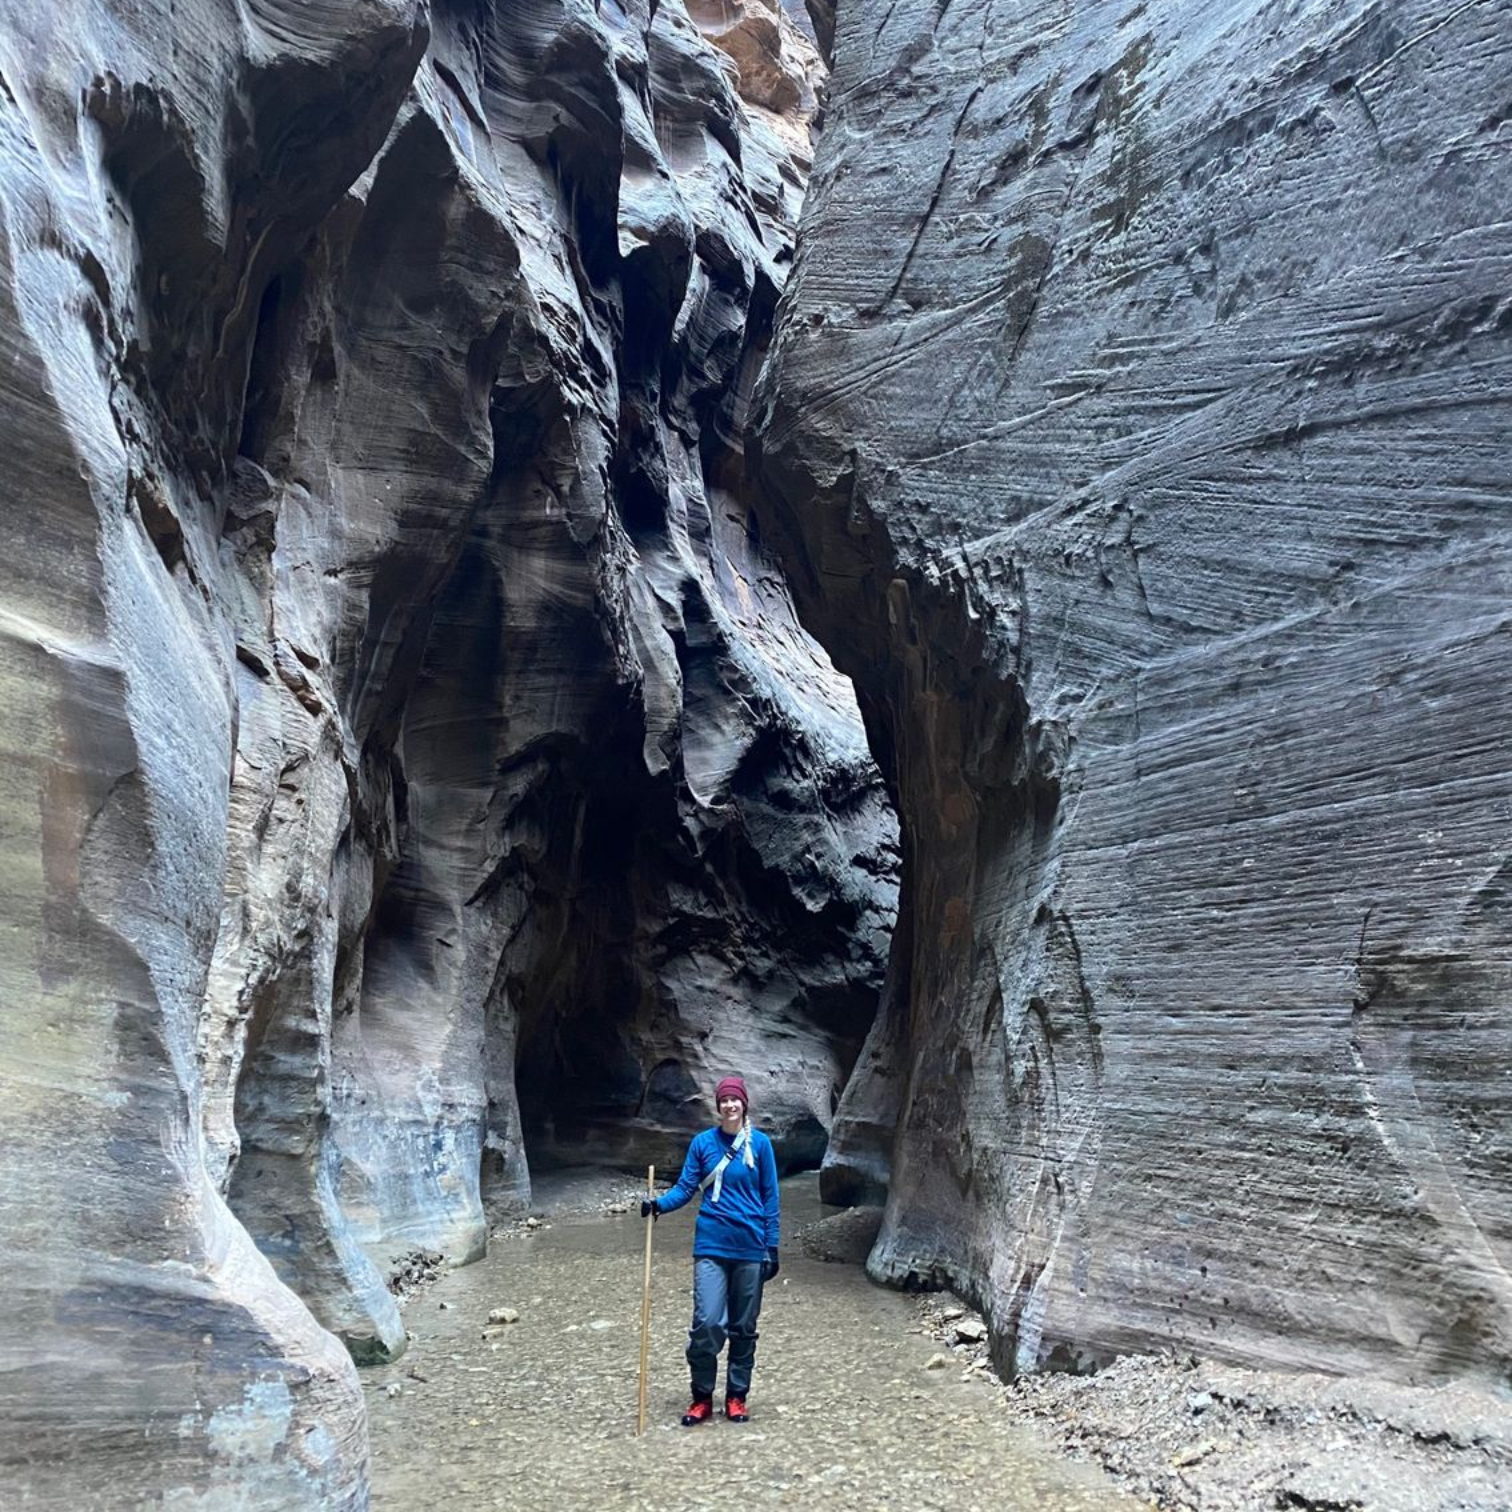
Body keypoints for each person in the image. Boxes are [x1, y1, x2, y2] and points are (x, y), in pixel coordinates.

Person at [641, 1074, 780, 1425]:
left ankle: (736, 1396)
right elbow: (686, 1188)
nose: (730, 1105)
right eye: (724, 1101)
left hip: (751, 1248)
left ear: (744, 1103)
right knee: (707, 1322)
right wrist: (658, 1205)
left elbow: (770, 1198)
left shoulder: (760, 1145)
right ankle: (701, 1396)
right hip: (711, 1246)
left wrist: (773, 1246)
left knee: (743, 1326)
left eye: (735, 1100)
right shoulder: (703, 1144)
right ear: (717, 1106)